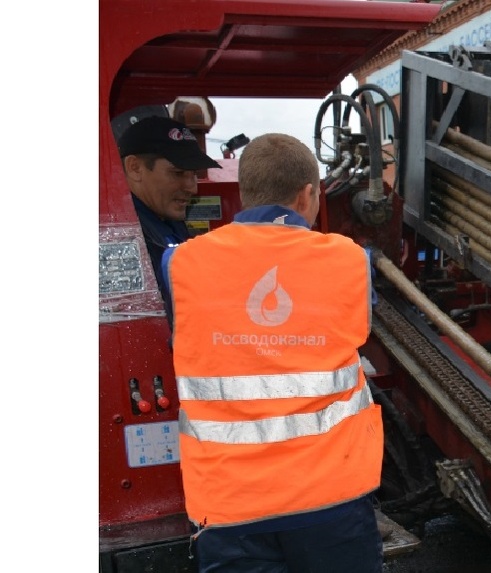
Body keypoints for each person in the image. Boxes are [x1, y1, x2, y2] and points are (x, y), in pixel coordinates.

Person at [162, 133, 384, 572]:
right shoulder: (349, 260)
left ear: (243, 194)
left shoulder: (180, 262)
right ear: (307, 195)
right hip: (331, 496)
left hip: (228, 505)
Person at [117, 115, 221, 307]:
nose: (192, 188)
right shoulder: (122, 237)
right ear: (135, 168)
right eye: (178, 173)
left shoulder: (168, 222)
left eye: (194, 175)